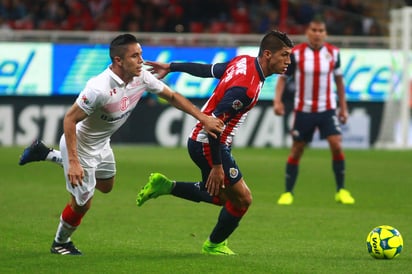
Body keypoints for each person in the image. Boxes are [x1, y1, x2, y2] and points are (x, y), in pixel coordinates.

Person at [18, 33, 224, 255]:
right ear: (118, 61)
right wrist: (75, 162)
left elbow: (172, 96)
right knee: (83, 203)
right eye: (135, 56)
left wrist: (203, 118)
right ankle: (60, 242)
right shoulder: (98, 88)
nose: (141, 60)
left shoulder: (141, 77)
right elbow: (69, 119)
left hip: (102, 144)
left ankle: (45, 153)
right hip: (81, 145)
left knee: (106, 186)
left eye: (141, 54)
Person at [136, 30, 294, 255]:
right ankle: (214, 245)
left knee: (221, 197)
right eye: (285, 55)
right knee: (242, 200)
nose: (288, 61)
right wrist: (218, 166)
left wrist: (171, 66)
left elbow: (208, 70)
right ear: (268, 54)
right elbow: (213, 125)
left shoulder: (244, 62)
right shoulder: (245, 89)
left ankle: (166, 186)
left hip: (206, 141)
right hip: (208, 142)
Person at [273, 19, 355, 205]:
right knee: (297, 150)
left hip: (327, 109)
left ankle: (341, 190)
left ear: (325, 33)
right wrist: (277, 101)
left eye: (321, 30)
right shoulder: (297, 54)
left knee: (336, 144)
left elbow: (340, 82)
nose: (317, 33)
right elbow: (283, 79)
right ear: (307, 32)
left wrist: (343, 108)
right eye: (314, 30)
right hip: (304, 110)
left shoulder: (333, 53)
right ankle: (288, 192)